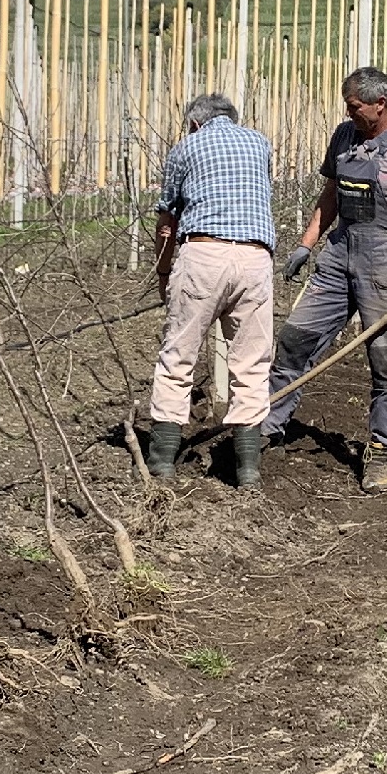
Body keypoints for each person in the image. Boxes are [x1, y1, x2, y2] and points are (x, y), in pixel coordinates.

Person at [262, 66, 387, 493]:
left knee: (386, 361)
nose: (349, 113)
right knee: (295, 340)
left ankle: (380, 448)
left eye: (355, 107)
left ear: (381, 104)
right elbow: (332, 193)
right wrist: (306, 243)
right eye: (347, 106)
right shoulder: (343, 136)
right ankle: (269, 423)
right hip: (338, 256)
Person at [149, 93, 274, 487]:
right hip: (255, 259)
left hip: (203, 254)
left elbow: (168, 218)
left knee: (179, 354)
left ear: (195, 124)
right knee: (251, 362)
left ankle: (162, 462)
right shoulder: (259, 143)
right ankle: (248, 470)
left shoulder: (187, 146)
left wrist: (164, 271)